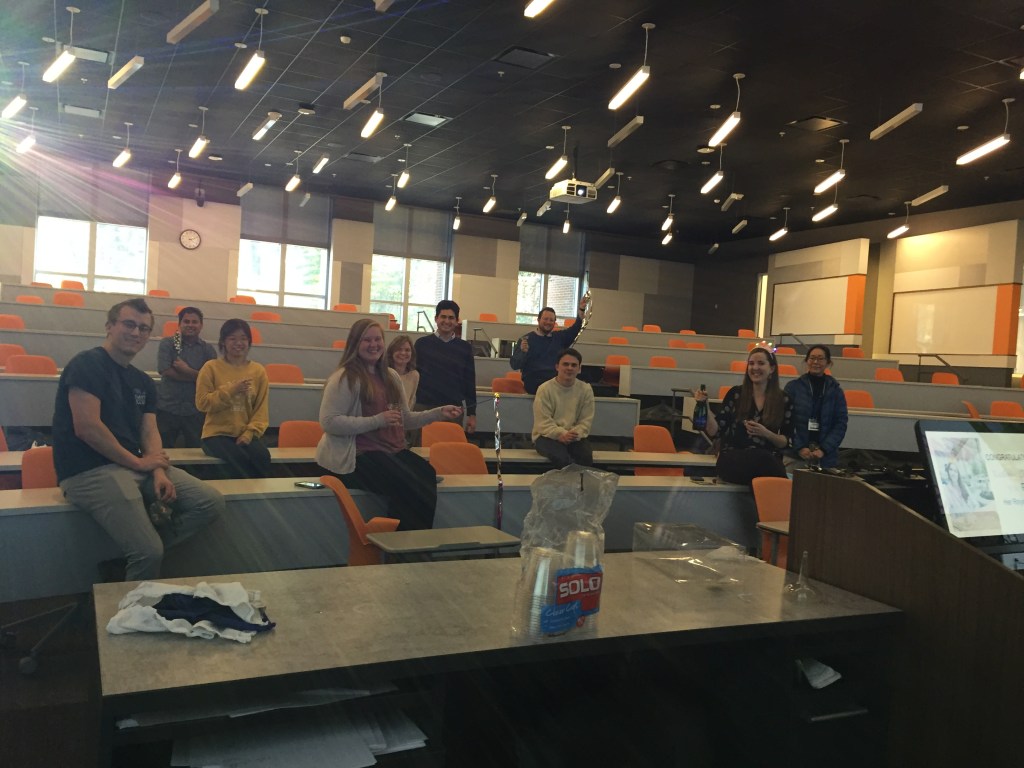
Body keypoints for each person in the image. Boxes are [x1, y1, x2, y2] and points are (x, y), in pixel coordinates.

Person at [52, 298, 224, 581]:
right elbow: (88, 428)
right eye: (129, 324)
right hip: (89, 471)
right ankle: (134, 589)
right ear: (110, 326)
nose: (136, 333)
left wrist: (157, 470)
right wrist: (139, 463)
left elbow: (149, 431)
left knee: (210, 502)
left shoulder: (142, 381)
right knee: (148, 551)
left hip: (134, 466)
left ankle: (128, 558)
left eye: (144, 328)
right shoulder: (86, 364)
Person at [316, 318, 463, 530]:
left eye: (378, 339)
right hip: (357, 456)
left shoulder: (391, 376)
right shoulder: (345, 377)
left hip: (389, 451)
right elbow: (329, 422)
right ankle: (398, 542)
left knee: (427, 475)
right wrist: (378, 420)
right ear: (355, 343)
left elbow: (405, 420)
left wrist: (438, 413)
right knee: (406, 481)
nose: (373, 344)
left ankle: (418, 540)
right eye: (367, 340)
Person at [694, 345, 794, 485]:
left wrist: (766, 434)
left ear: (772, 368)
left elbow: (786, 442)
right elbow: (714, 431)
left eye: (761, 363)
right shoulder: (736, 394)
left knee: (764, 461)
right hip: (734, 458)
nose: (755, 368)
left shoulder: (783, 399)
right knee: (764, 463)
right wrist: (705, 405)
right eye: (751, 363)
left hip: (767, 461)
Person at [195, 319, 272, 478]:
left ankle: (257, 493)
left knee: (263, 457)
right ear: (223, 342)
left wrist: (249, 434)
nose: (238, 343)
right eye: (232, 338)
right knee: (238, 459)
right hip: (216, 435)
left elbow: (261, 410)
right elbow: (202, 403)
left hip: (245, 433)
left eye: (243, 338)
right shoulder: (211, 367)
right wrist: (231, 390)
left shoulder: (258, 371)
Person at [156, 306, 217, 448]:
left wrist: (186, 370)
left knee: (196, 452)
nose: (190, 325)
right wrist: (198, 377)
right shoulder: (168, 343)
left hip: (195, 410)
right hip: (168, 407)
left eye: (194, 322)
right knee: (162, 450)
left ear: (201, 325)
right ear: (179, 324)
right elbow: (165, 370)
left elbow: (212, 380)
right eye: (186, 321)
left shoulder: (208, 350)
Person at [414, 299, 476, 434]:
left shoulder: (465, 348)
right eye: (443, 317)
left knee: (450, 445)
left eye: (451, 318)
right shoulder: (421, 344)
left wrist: (472, 414)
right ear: (436, 319)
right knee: (421, 445)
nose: (447, 321)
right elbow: (413, 377)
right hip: (423, 407)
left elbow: (469, 381)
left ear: (457, 321)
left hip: (453, 410)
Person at [783, 345, 848, 469]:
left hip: (826, 457)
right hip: (795, 455)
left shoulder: (835, 390)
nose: (816, 362)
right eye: (812, 358)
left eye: (820, 358)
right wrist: (799, 447)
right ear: (807, 361)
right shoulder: (793, 387)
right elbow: (785, 421)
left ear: (828, 362)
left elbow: (840, 423)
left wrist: (824, 449)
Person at [532, 348, 595, 468]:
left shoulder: (586, 390)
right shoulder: (544, 389)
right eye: (565, 364)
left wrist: (574, 434)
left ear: (579, 369)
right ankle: (565, 481)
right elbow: (543, 422)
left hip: (574, 436)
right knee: (561, 458)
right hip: (546, 436)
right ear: (557, 367)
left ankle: (580, 481)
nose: (569, 368)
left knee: (585, 456)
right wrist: (560, 434)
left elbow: (586, 420)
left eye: (574, 365)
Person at [511, 298, 588, 394]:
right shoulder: (526, 340)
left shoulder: (559, 338)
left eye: (551, 320)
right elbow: (514, 365)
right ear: (538, 320)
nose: (548, 322)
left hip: (556, 382)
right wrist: (523, 353)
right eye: (545, 319)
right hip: (534, 384)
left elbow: (575, 329)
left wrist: (581, 310)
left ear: (554, 322)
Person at [387, 334, 418, 408]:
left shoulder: (414, 375)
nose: (403, 353)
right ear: (391, 352)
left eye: (407, 350)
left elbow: (411, 401)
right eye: (399, 349)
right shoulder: (385, 373)